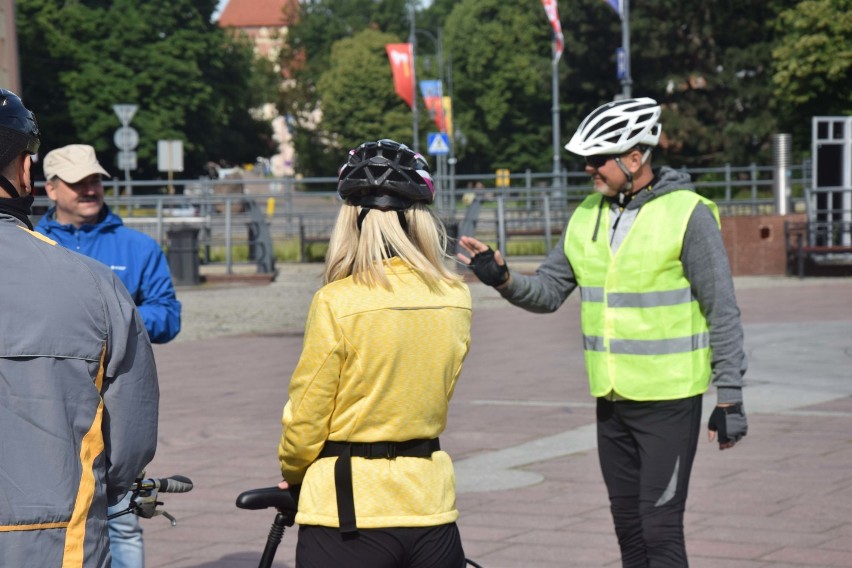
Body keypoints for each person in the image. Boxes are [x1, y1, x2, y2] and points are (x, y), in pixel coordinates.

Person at [457, 97, 748, 567]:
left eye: (598, 158)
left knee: (659, 530)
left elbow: (722, 309)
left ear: (636, 157)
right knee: (629, 530)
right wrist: (503, 278)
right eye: (585, 159)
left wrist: (730, 396)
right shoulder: (586, 215)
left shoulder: (688, 214)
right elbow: (550, 292)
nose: (589, 168)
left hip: (668, 401)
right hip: (611, 402)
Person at [277, 139, 472, 568]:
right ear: (420, 220)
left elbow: (308, 415)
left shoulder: (337, 301)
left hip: (348, 511)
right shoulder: (455, 297)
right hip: (428, 505)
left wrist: (293, 472)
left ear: (353, 220)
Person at [0, 90, 159, 567]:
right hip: (56, 539)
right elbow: (130, 439)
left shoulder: (115, 261)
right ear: (28, 173)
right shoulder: (93, 283)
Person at [35, 143, 181, 568]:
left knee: (120, 516)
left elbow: (167, 316)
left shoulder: (137, 247)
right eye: (78, 182)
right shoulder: (32, 244)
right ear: (50, 188)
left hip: (116, 404)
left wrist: (114, 324)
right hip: (47, 403)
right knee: (46, 514)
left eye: (95, 180)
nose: (90, 189)